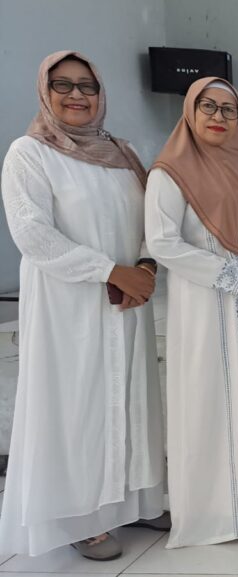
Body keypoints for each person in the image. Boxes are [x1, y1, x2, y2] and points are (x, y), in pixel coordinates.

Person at [0, 50, 165, 561]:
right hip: (69, 308)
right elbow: (32, 233)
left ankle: (135, 502)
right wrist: (111, 271)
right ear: (44, 92)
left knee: (132, 399)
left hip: (128, 303)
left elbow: (152, 218)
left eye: (87, 86)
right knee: (76, 406)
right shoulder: (30, 153)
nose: (77, 95)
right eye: (64, 85)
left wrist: (145, 267)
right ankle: (79, 519)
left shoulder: (122, 153)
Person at [146, 77, 238, 547]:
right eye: (208, 106)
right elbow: (162, 243)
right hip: (209, 305)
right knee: (213, 401)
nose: (218, 117)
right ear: (190, 110)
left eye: (229, 110)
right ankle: (218, 511)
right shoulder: (170, 172)